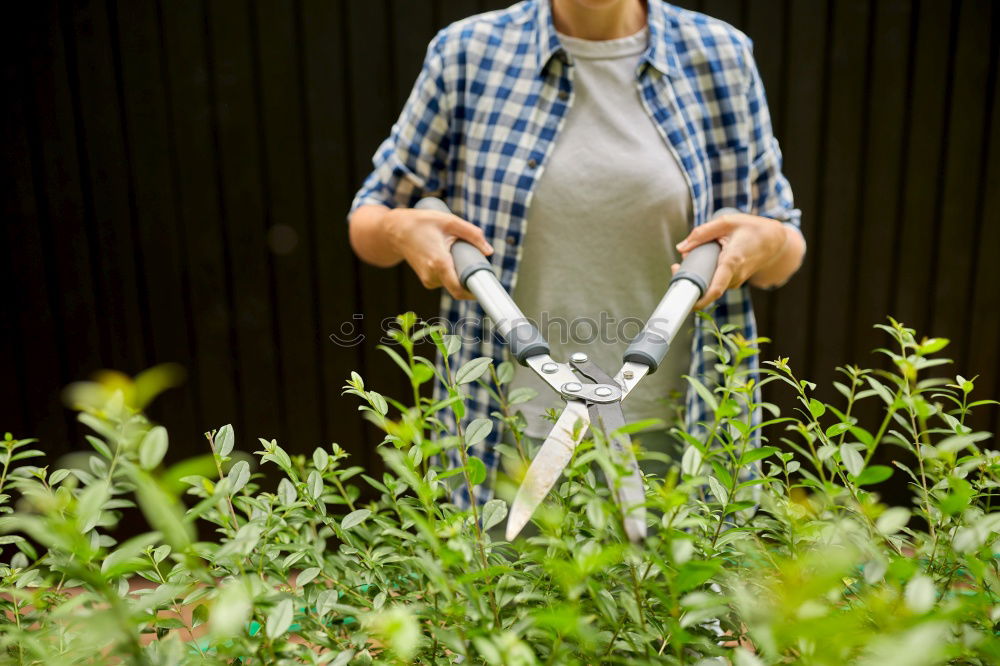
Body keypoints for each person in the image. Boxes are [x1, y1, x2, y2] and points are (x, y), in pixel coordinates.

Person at [348, 0, 806, 506]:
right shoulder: (468, 53)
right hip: (501, 431)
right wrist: (398, 228)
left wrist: (773, 240)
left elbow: (781, 246)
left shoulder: (720, 54)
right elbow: (368, 219)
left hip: (684, 427)